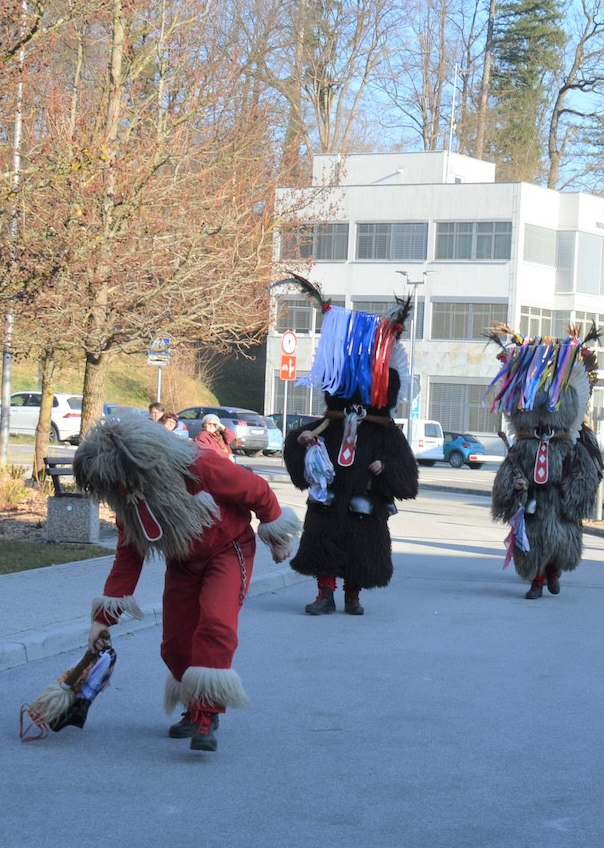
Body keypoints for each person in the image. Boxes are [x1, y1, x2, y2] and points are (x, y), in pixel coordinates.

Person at [72, 413, 300, 752]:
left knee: (215, 624)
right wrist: (101, 621)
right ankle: (194, 704)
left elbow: (256, 490)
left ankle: (207, 713)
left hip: (228, 548)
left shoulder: (199, 466)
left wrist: (276, 533)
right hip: (183, 562)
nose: (122, 490)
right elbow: (127, 557)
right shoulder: (128, 505)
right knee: (175, 643)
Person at [273, 280, 420, 617]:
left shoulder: (386, 432)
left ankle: (353, 596)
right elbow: (297, 456)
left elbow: (408, 478)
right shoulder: (327, 423)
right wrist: (302, 445)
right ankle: (325, 594)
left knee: (360, 551)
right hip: (327, 504)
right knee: (324, 543)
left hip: (364, 505)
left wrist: (386, 467)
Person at [487, 327, 604, 599]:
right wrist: (513, 485)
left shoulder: (571, 446)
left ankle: (553, 572)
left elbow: (585, 473)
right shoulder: (521, 447)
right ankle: (537, 581)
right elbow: (505, 474)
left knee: (559, 540)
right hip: (534, 502)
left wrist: (572, 489)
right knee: (534, 541)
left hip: (559, 502)